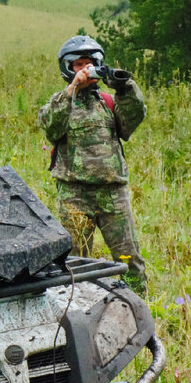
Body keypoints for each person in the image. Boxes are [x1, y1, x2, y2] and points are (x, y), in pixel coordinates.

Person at [38, 35, 148, 293]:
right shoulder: (60, 103)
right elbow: (51, 126)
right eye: (78, 65)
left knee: (129, 259)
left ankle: (139, 309)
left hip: (113, 194)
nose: (85, 69)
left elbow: (133, 119)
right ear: (68, 68)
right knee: (75, 263)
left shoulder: (108, 103)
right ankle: (77, 309)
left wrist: (125, 86)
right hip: (74, 195)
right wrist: (73, 89)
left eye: (89, 63)